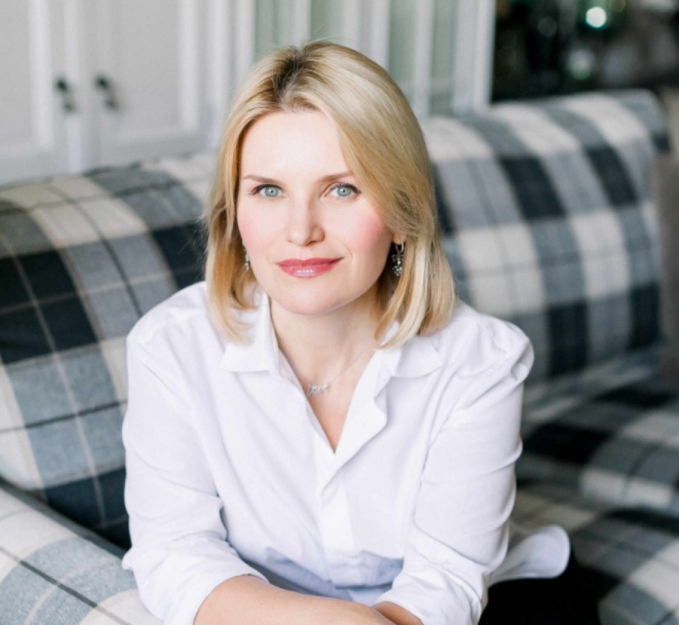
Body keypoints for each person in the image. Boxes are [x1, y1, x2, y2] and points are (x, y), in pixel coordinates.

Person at [121, 41, 600, 625]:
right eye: (269, 190)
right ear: (235, 213)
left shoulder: (481, 361)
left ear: (401, 214)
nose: (301, 230)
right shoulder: (170, 349)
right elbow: (175, 553)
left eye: (342, 189)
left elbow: (446, 578)